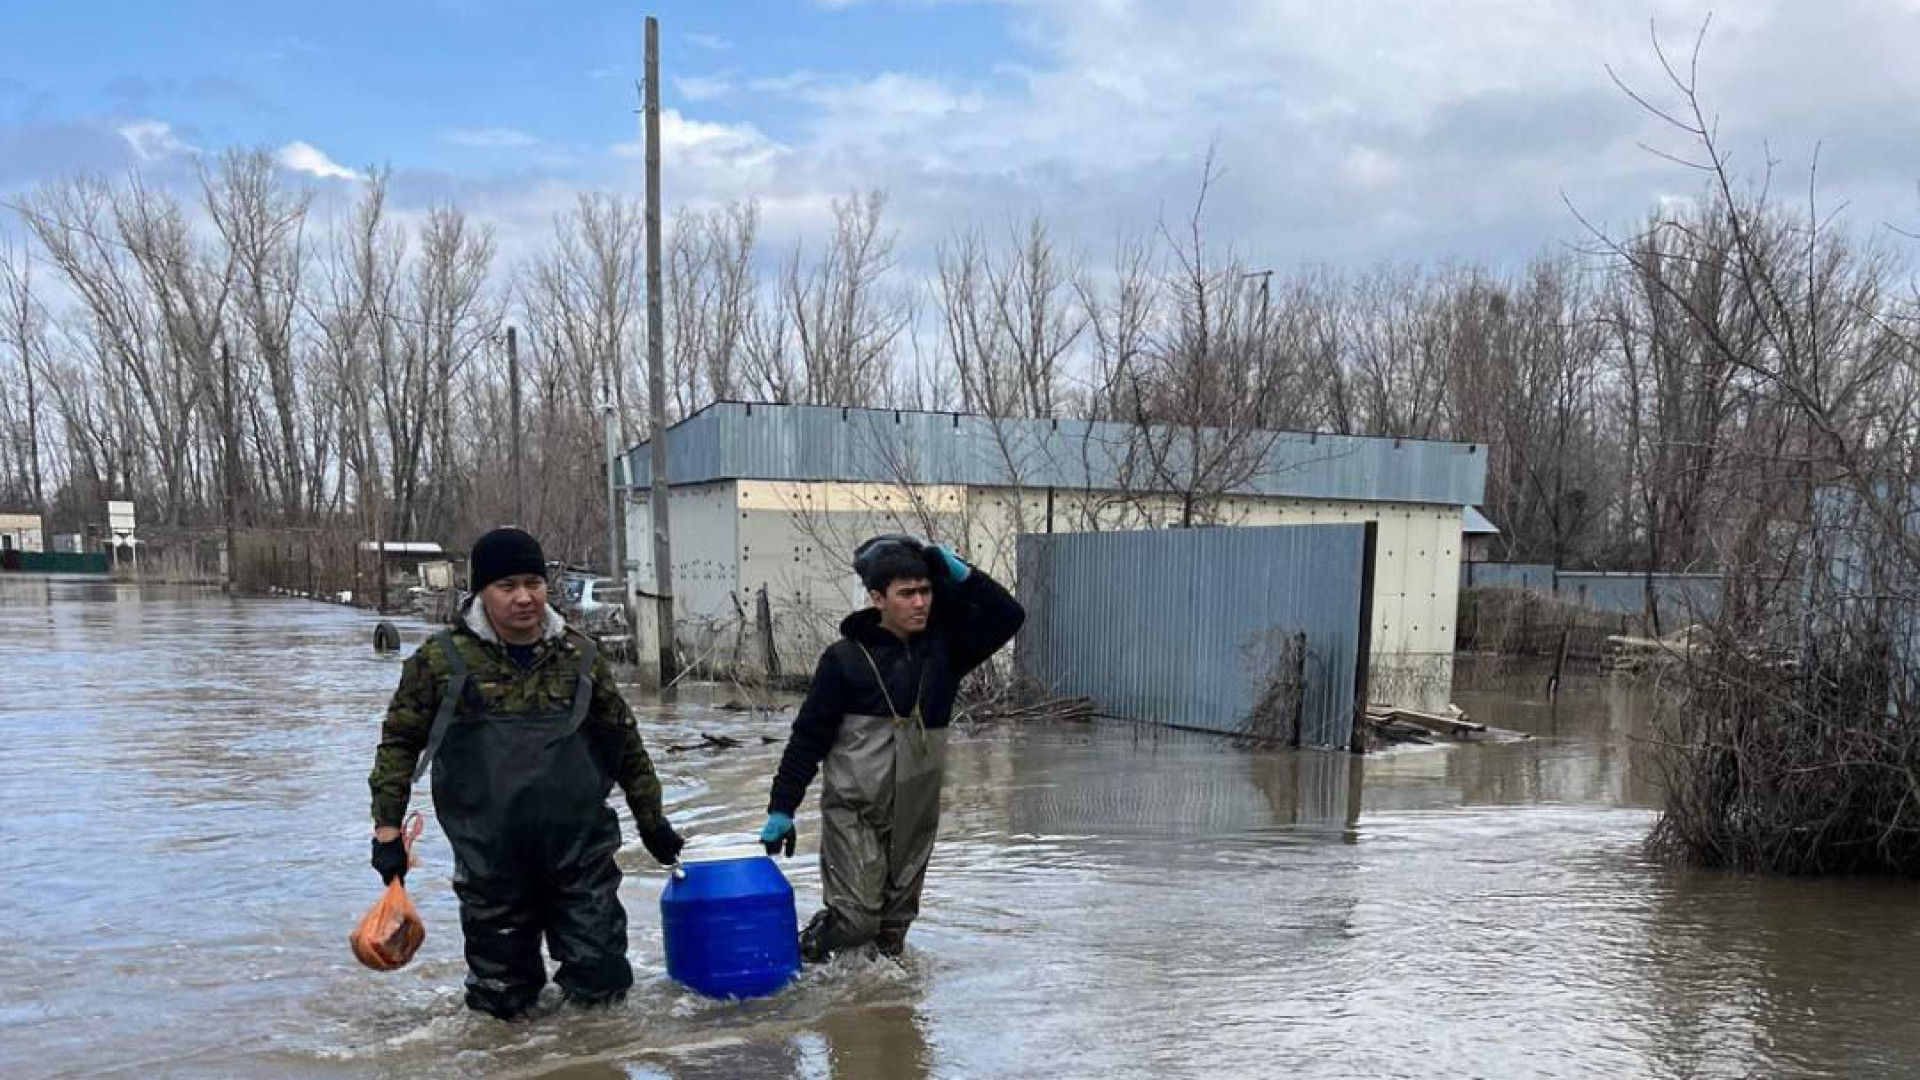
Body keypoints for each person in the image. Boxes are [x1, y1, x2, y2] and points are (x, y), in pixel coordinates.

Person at [365, 526, 685, 1019]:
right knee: (502, 1005)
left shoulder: (581, 657)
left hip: (581, 856)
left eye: (533, 583)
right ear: (481, 592)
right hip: (491, 862)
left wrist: (653, 822)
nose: (524, 598)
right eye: (507, 585)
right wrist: (387, 830)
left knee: (603, 990)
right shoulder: (440, 662)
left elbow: (626, 745)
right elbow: (398, 747)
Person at [759, 534, 1024, 961]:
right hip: (855, 814)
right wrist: (781, 808)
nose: (920, 603)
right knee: (857, 921)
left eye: (925, 592)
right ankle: (805, 952)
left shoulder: (945, 654)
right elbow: (808, 738)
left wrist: (962, 572)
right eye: (907, 594)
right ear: (878, 598)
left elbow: (1008, 615)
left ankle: (873, 1015)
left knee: (891, 935)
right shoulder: (844, 660)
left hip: (915, 816)